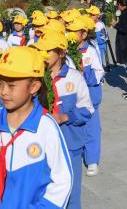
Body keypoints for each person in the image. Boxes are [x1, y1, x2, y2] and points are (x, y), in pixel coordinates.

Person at [0, 44, 73, 209]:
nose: (3, 92)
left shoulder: (46, 127)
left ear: (34, 87)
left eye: (11, 86)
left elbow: (62, 180)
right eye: (1, 84)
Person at [37, 30, 93, 209]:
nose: (43, 55)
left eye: (48, 51)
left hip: (70, 145)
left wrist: (64, 117)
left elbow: (87, 109)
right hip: (43, 146)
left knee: (71, 193)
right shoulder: (37, 79)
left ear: (61, 53)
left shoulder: (74, 78)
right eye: (41, 51)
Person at [66, 17, 104, 177]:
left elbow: (99, 72)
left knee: (92, 128)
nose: (71, 35)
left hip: (90, 97)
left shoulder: (91, 51)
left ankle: (92, 160)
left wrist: (85, 75)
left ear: (83, 34)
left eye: (74, 32)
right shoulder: (67, 53)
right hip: (74, 98)